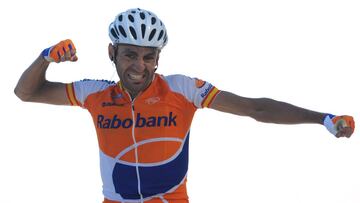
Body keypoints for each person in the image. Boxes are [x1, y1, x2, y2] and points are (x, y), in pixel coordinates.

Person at [14, 8, 355, 203]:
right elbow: (25, 93)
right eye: (130, 54)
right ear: (112, 53)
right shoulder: (95, 94)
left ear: (158, 58)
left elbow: (256, 108)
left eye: (149, 57)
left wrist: (323, 118)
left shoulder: (182, 89)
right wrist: (45, 58)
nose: (139, 66)